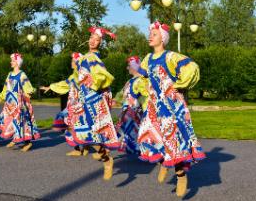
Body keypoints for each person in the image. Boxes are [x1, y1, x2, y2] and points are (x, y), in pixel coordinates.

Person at [137, 21, 206, 197]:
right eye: (150, 33)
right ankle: (162, 161)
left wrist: (180, 84)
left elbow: (192, 67)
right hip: (154, 105)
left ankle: (181, 175)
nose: (150, 36)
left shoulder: (171, 57)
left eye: (154, 34)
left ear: (163, 38)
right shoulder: (146, 58)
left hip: (170, 106)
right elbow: (143, 77)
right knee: (148, 135)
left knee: (172, 140)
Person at [72, 27, 120, 180]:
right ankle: (105, 156)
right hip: (86, 97)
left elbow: (102, 76)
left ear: (100, 43)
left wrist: (92, 85)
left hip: (93, 98)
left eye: (97, 39)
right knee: (87, 132)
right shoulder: (87, 56)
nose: (92, 40)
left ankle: (106, 159)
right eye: (91, 37)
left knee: (91, 132)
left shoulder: (92, 57)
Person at [40, 52, 88, 156]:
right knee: (79, 125)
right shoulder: (76, 75)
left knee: (71, 124)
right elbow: (65, 84)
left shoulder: (79, 75)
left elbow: (66, 84)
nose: (71, 62)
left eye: (73, 60)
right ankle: (83, 147)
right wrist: (51, 87)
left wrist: (51, 87)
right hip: (75, 104)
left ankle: (80, 148)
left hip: (77, 105)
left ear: (77, 62)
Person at [0, 53, 40, 152]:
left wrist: (29, 93)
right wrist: (0, 98)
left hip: (19, 103)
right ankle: (15, 138)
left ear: (17, 62)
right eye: (11, 60)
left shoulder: (22, 74)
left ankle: (27, 143)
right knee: (9, 120)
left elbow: (28, 87)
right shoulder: (10, 74)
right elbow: (5, 88)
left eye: (13, 61)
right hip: (9, 103)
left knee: (20, 122)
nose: (11, 62)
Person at [115, 56, 148, 154]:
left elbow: (144, 98)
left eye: (129, 66)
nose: (127, 68)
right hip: (128, 111)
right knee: (126, 132)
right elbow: (121, 96)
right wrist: (114, 101)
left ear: (134, 67)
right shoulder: (129, 81)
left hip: (134, 112)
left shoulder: (141, 81)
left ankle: (105, 153)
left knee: (123, 132)